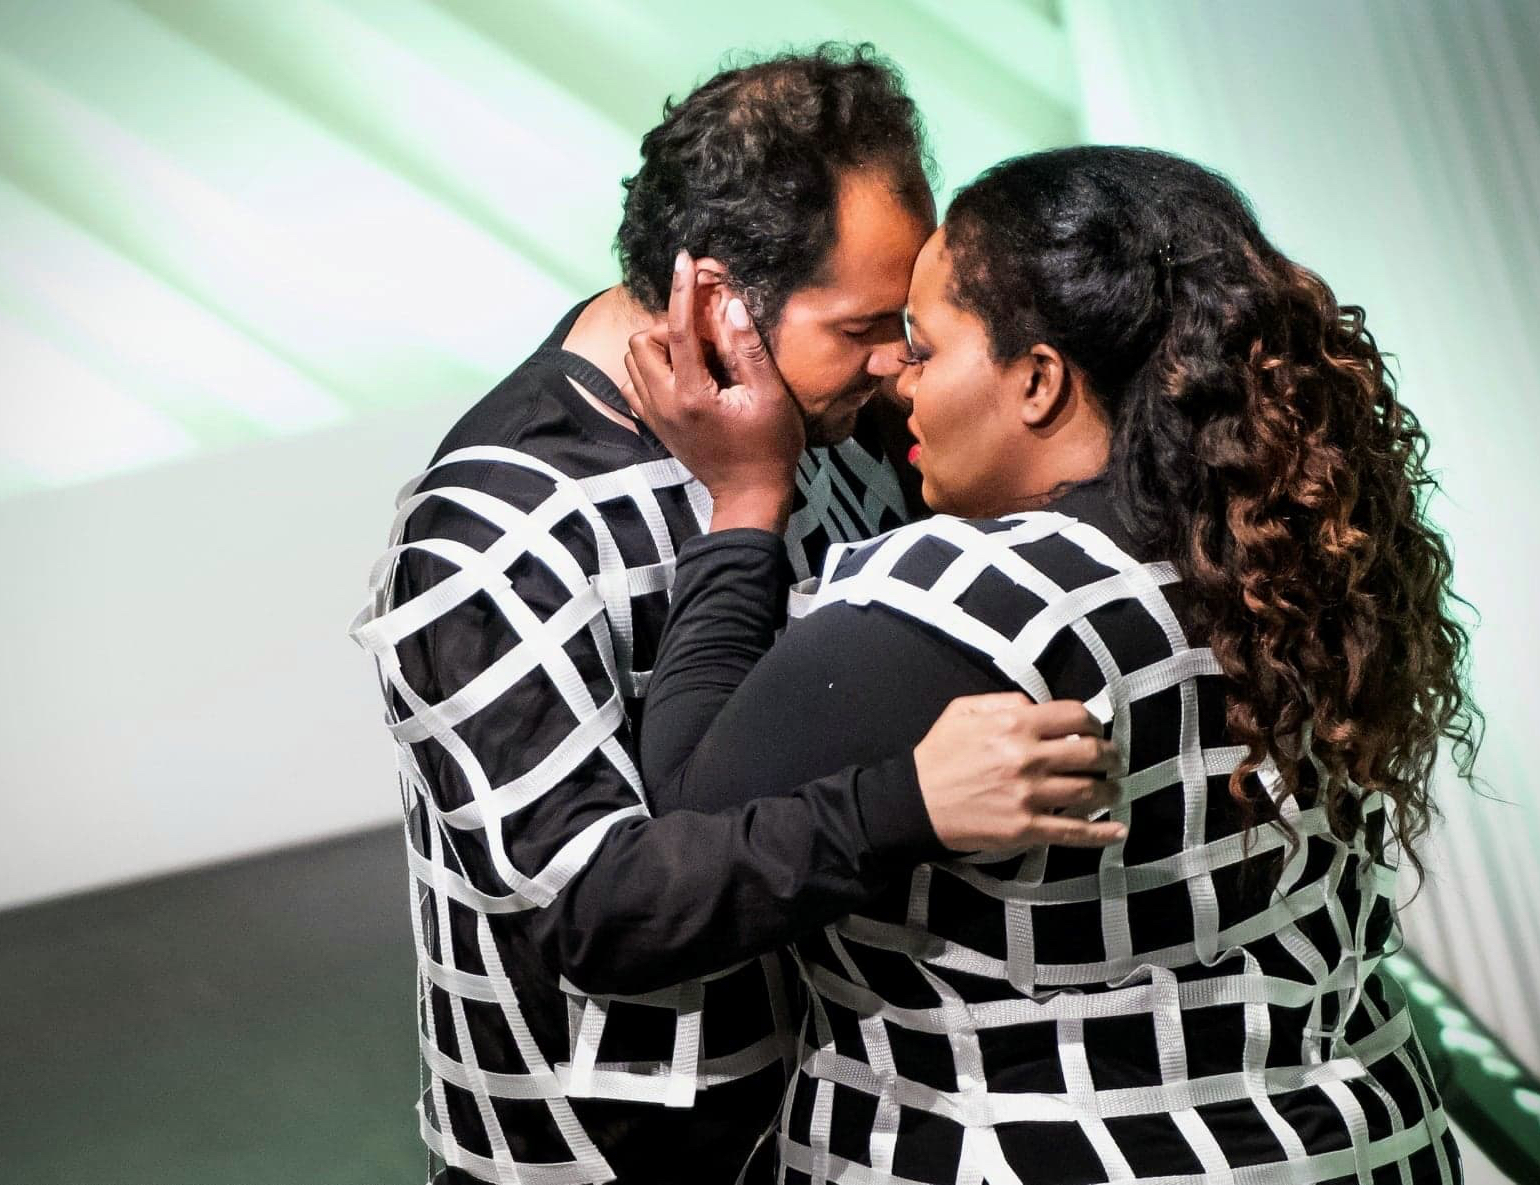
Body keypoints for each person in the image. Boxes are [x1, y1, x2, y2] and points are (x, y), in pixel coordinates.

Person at [625, 146, 1478, 1182]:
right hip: (1356, 1140)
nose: (894, 378)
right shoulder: (1292, 555)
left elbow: (688, 827)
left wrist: (745, 498)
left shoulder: (983, 597)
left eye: (924, 349)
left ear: (1035, 380)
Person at [350, 49, 1123, 1185]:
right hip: (610, 1161)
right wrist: (906, 806)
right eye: (863, 326)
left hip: (832, 1125)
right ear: (715, 301)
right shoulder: (495, 530)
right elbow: (596, 912)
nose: (899, 366)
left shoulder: (837, 425)